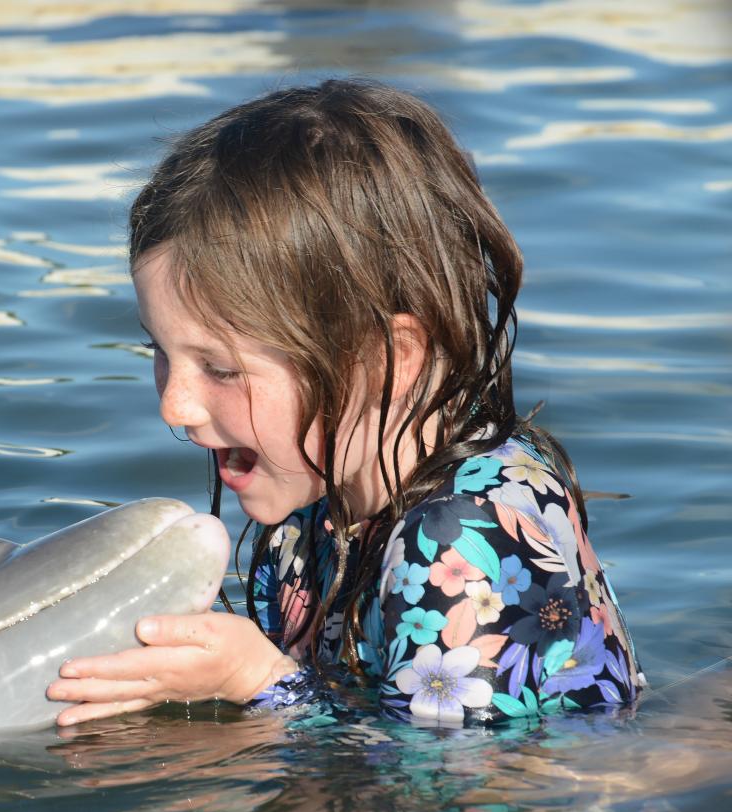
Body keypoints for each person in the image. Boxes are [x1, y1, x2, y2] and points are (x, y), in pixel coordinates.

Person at [47, 78, 642, 727]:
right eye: (159, 352)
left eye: (219, 367)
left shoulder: (465, 539)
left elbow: (451, 807)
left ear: (386, 360)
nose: (174, 405)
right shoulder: (322, 492)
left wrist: (257, 680)